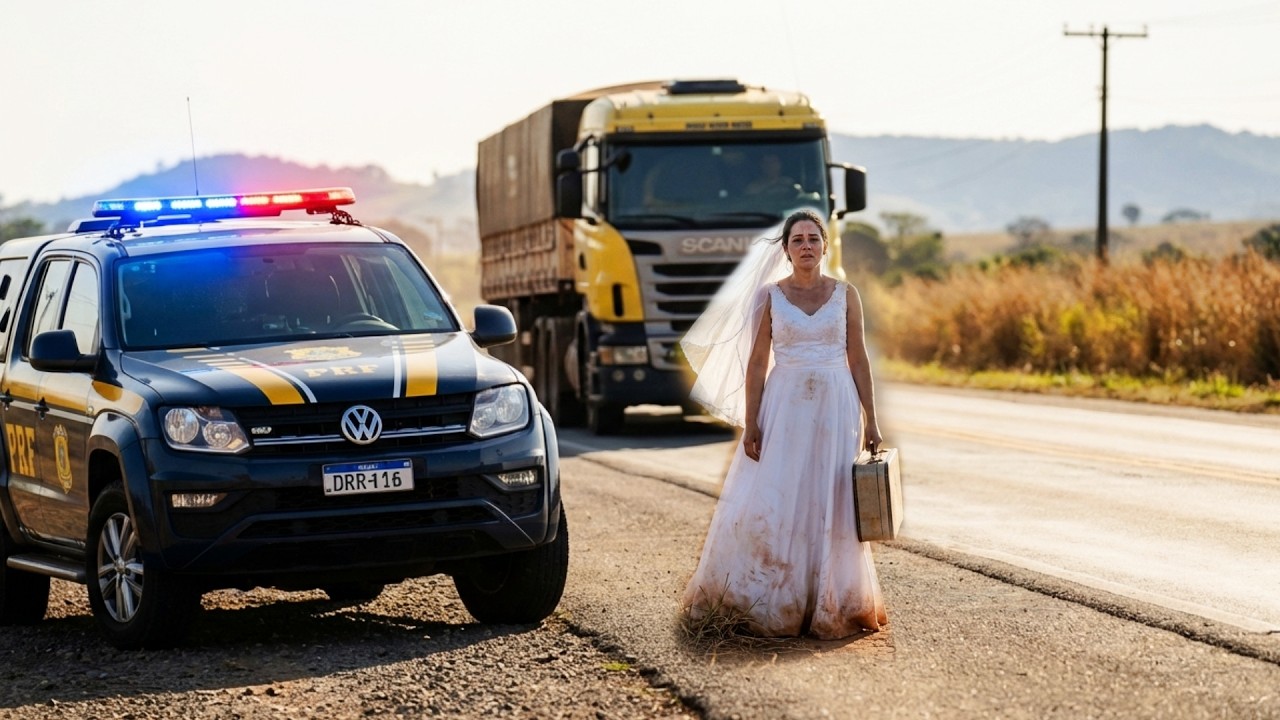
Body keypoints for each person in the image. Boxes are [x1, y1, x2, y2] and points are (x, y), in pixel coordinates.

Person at [680, 208, 887, 639]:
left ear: (825, 246)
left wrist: (872, 418)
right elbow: (757, 363)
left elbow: (858, 358)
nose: (806, 246)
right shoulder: (769, 296)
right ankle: (775, 600)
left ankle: (833, 604)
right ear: (787, 250)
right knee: (779, 495)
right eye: (798, 240)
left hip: (836, 406)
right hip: (784, 405)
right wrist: (751, 422)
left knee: (831, 498)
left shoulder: (846, 294)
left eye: (814, 238)